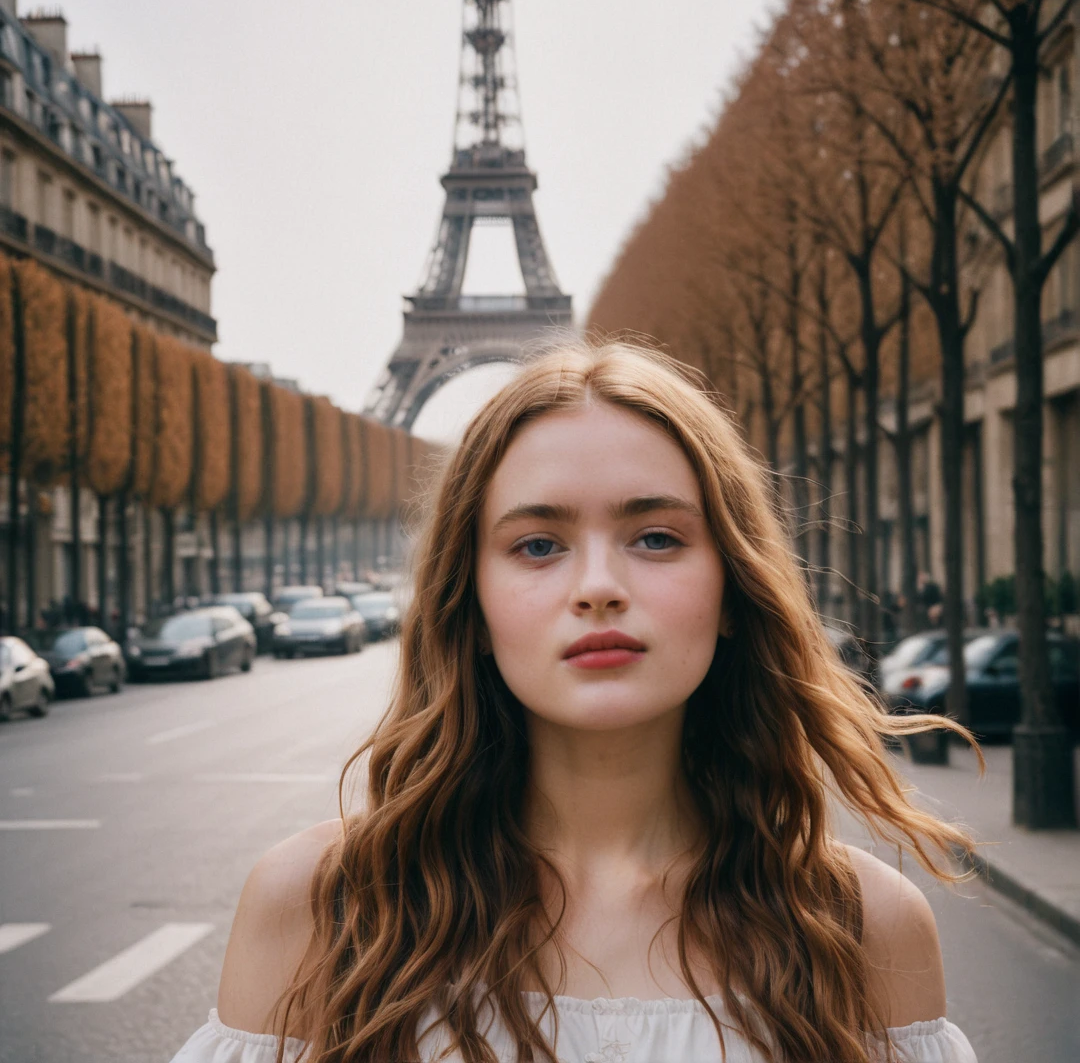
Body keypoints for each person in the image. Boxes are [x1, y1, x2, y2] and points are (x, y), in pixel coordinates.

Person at [171, 341, 979, 1063]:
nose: (597, 587)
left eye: (656, 537)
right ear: (472, 604)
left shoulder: (869, 926)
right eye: (538, 546)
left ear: (733, 588)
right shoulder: (317, 907)